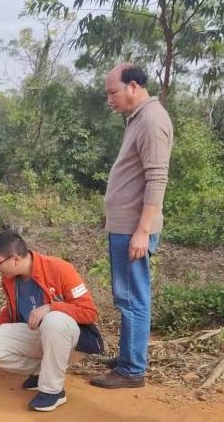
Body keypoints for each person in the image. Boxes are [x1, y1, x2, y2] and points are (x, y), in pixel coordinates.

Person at [90, 64, 173, 390]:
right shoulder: (138, 119)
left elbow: (157, 179)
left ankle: (132, 369)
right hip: (124, 225)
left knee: (132, 297)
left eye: (113, 92)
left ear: (133, 86)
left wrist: (142, 230)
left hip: (134, 229)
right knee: (127, 296)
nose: (109, 99)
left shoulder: (152, 121)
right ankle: (128, 356)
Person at [0, 229, 104, 412]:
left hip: (68, 339)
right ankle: (43, 371)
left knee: (53, 320)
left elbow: (89, 312)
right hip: (37, 335)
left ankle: (53, 391)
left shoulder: (60, 268)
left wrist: (51, 307)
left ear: (14, 259)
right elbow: (12, 311)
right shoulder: (10, 279)